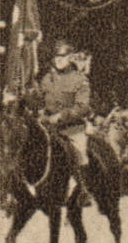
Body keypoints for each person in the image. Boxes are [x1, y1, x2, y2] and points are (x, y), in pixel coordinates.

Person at [39, 38, 94, 200]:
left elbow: (83, 106)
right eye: (56, 57)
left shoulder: (79, 80)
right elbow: (40, 102)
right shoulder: (46, 79)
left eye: (62, 57)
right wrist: (41, 113)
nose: (58, 60)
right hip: (49, 128)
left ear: (70, 57)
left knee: (80, 153)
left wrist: (62, 116)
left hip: (72, 129)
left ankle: (83, 189)